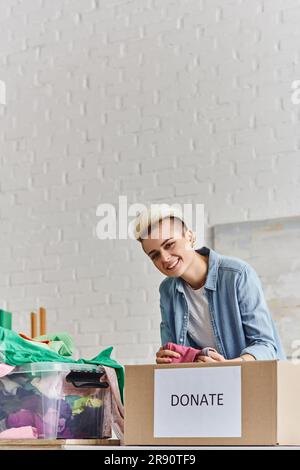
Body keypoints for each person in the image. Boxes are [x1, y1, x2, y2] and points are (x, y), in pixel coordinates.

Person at [133, 205, 286, 364]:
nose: (164, 258)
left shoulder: (237, 275)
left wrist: (227, 366)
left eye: (169, 244)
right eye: (155, 255)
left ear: (190, 237)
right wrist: (169, 357)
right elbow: (174, 352)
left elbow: (266, 346)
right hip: (207, 386)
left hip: (257, 381)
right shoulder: (167, 291)